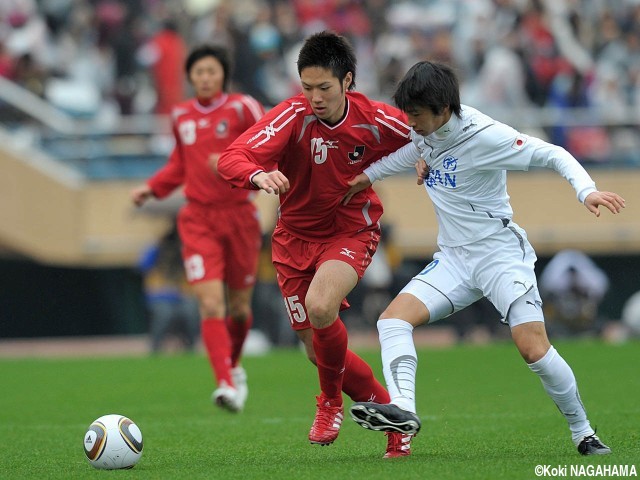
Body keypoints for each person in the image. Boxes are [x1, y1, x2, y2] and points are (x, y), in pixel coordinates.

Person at [344, 61, 625, 456]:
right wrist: (368, 176)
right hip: (454, 260)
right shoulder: (426, 132)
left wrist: (586, 191)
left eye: (417, 115)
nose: (411, 122)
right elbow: (413, 151)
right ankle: (404, 411)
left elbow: (553, 154)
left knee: (533, 349)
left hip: (499, 256)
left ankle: (583, 432)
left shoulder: (486, 136)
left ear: (444, 109)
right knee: (391, 321)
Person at [216, 31, 414, 458]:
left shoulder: (376, 117)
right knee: (316, 349)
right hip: (291, 242)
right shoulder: (291, 115)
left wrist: (425, 157)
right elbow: (232, 157)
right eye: (307, 88)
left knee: (321, 306)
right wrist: (258, 175)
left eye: (324, 87)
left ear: (347, 82)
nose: (315, 97)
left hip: (349, 230)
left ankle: (329, 403)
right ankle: (397, 422)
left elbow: (430, 133)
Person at [131, 45, 265, 412]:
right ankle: (223, 382)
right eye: (198, 72)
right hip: (198, 219)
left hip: (239, 216)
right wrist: (153, 187)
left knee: (239, 309)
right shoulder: (181, 116)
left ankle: (235, 368)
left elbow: (269, 147)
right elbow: (179, 164)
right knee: (209, 302)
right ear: (190, 78)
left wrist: (229, 160)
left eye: (212, 71)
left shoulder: (243, 107)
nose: (205, 78)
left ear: (223, 74)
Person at [138, 220, 199, 353]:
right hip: (160, 295)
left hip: (182, 294)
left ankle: (190, 346)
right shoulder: (157, 248)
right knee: (165, 314)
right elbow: (142, 267)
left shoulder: (187, 250)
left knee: (191, 311)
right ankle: (155, 347)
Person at [539, 249, 610, 336]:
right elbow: (547, 293)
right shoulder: (555, 279)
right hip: (560, 308)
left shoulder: (590, 279)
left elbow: (599, 290)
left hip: (582, 307)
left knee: (587, 312)